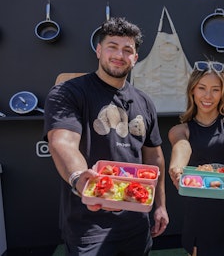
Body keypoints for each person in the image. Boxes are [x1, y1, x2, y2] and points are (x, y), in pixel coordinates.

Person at [43, 17, 169, 256]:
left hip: (136, 222)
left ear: (135, 58)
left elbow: (154, 157)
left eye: (127, 50)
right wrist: (80, 178)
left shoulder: (144, 101)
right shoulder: (69, 92)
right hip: (89, 224)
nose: (119, 55)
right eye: (112, 46)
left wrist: (160, 205)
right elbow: (62, 142)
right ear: (99, 50)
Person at [168, 60, 224, 256]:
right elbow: (182, 147)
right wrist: (176, 167)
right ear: (192, 90)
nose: (208, 96)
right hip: (200, 218)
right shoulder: (180, 130)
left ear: (223, 92)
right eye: (202, 88)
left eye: (215, 89)